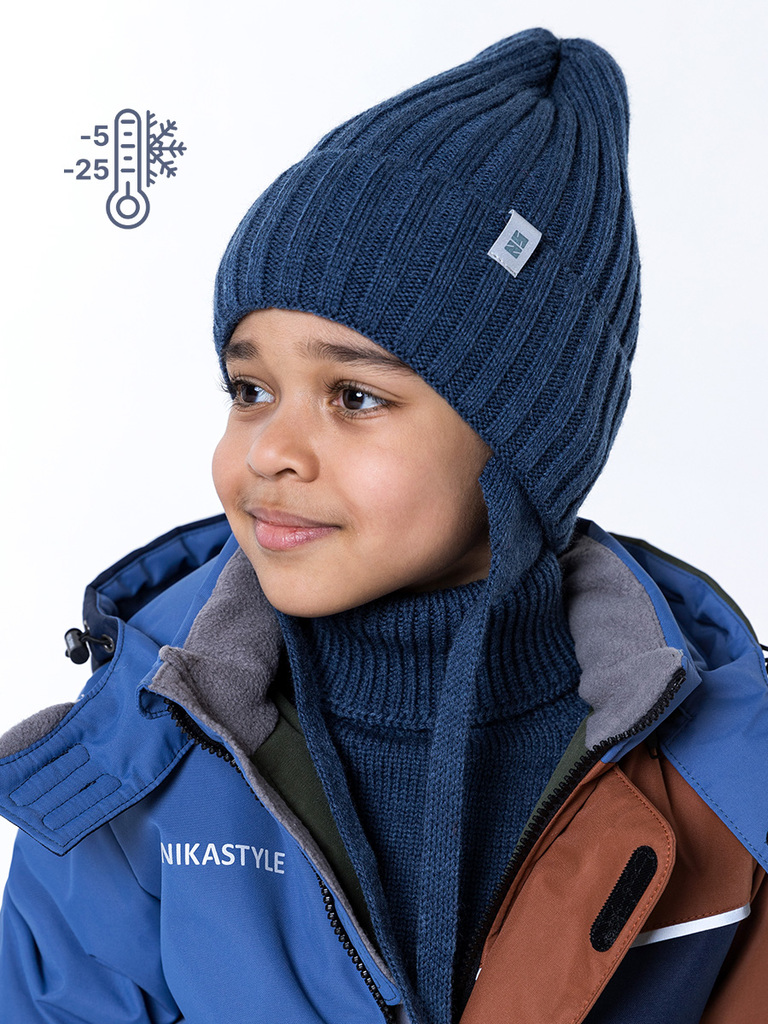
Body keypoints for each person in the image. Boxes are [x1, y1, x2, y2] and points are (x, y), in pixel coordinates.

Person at [0, 27, 766, 1024]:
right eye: (250, 389)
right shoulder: (135, 771)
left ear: (524, 436)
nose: (272, 451)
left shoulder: (729, 787)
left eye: (355, 397)